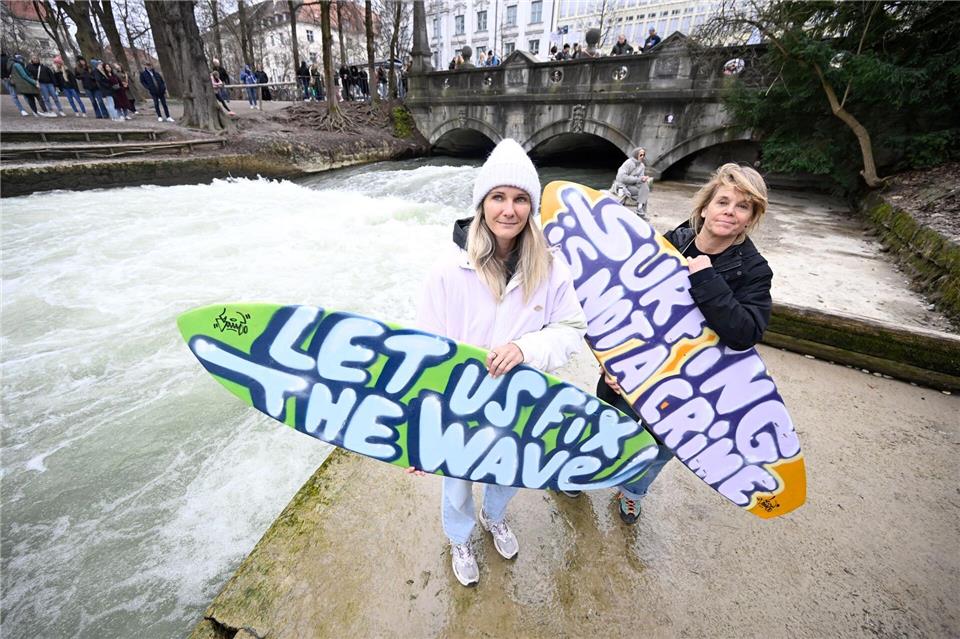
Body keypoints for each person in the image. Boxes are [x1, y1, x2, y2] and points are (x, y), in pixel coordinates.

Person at [411, 139, 588, 587]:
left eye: (520, 198)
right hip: (460, 404)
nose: (508, 210)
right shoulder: (447, 270)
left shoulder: (551, 269)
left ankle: (495, 517)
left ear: (531, 206)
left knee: (509, 467)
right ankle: (460, 537)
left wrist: (527, 348)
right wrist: (421, 428)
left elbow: (571, 329)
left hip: (520, 400)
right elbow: (425, 349)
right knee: (457, 478)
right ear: (481, 204)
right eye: (498, 197)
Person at [597, 163, 773, 524]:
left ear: (750, 218)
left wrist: (706, 276)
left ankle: (632, 491)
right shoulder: (673, 241)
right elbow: (627, 305)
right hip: (639, 367)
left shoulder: (754, 270)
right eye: (723, 201)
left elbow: (745, 334)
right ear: (705, 207)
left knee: (662, 445)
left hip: (693, 384)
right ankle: (585, 472)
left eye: (742, 207)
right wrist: (608, 362)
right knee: (609, 425)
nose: (729, 211)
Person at [611, 147, 652, 219]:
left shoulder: (642, 166)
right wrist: (638, 179)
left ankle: (640, 210)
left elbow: (640, 179)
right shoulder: (628, 163)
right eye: (641, 155)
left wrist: (643, 179)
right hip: (623, 185)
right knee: (643, 192)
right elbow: (621, 177)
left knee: (645, 188)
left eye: (643, 155)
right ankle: (640, 212)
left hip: (632, 186)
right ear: (636, 155)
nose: (642, 157)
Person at [2, 51, 29, 115]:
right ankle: (32, 108)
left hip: (6, 78)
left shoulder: (10, 58)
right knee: (24, 92)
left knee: (14, 95)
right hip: (14, 77)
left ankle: (22, 110)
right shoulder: (10, 58)